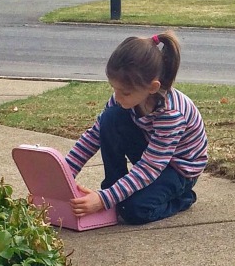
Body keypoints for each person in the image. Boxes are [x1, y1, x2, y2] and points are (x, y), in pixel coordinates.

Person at [65, 32, 208, 225]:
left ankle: (183, 198)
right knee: (109, 118)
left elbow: (150, 167)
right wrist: (64, 173)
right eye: (113, 88)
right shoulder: (123, 98)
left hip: (178, 168)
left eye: (124, 92)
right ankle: (114, 189)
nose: (117, 96)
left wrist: (102, 199)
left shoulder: (171, 114)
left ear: (152, 87)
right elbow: (94, 136)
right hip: (153, 152)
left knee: (135, 211)